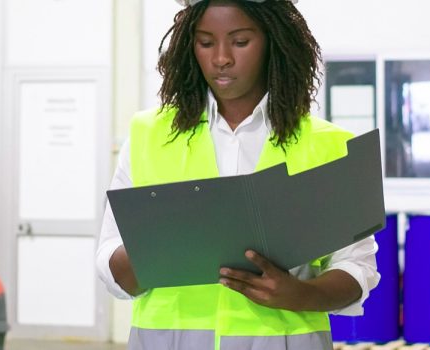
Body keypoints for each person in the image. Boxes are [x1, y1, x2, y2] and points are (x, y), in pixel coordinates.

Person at [95, 0, 379, 348]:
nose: (221, 58)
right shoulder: (147, 136)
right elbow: (109, 257)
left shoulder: (329, 146)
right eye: (205, 42)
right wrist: (152, 254)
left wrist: (300, 294)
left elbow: (357, 267)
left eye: (240, 41)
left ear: (272, 40)